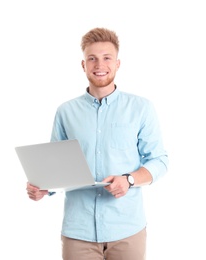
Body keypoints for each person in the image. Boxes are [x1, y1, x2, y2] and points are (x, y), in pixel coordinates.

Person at [26, 27, 168, 260]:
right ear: (83, 65)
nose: (99, 65)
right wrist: (43, 187)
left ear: (118, 64)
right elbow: (55, 167)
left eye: (106, 58)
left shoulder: (141, 108)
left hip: (127, 231)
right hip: (78, 233)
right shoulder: (65, 112)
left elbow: (160, 160)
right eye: (91, 58)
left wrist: (129, 180)